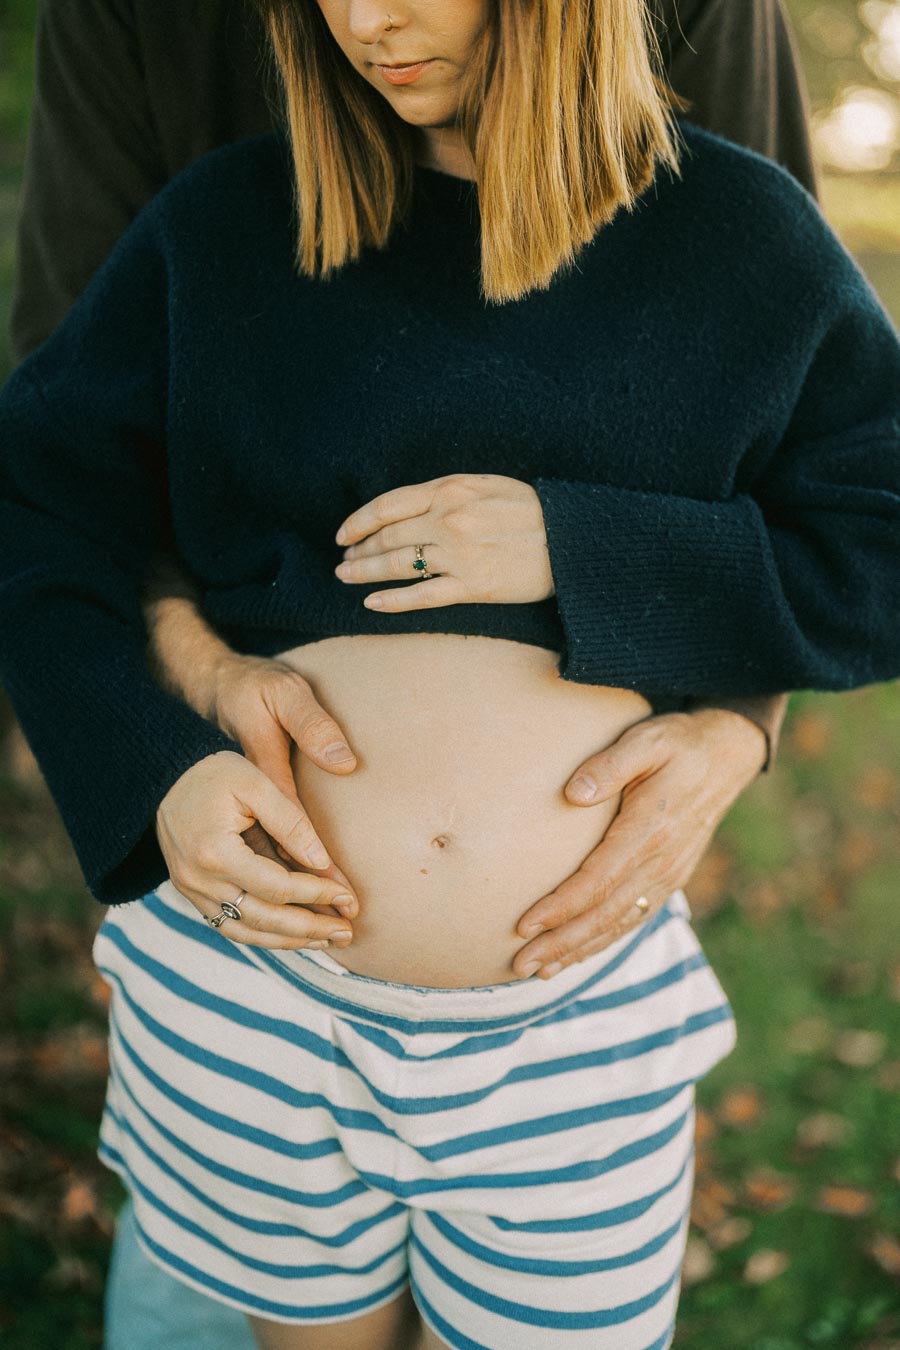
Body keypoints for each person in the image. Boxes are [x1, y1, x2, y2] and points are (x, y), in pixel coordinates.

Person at [2, 0, 898, 1348]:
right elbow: (42, 499)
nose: (368, 18)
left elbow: (877, 529)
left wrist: (578, 543)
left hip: (572, 1021)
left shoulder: (737, 238)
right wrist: (153, 767)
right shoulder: (226, 225)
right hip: (253, 995)